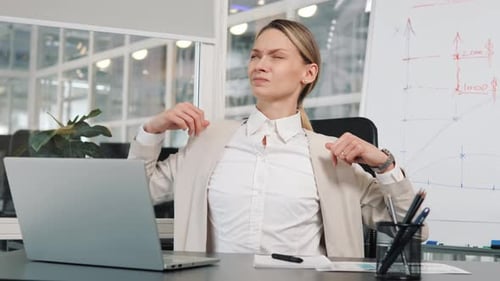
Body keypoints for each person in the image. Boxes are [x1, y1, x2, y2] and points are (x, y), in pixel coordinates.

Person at [128, 19, 427, 257]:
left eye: (277, 56)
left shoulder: (332, 156)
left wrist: (385, 165)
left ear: (308, 73)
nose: (260, 65)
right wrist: (153, 130)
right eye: (255, 56)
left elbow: (412, 231)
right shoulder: (208, 141)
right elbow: (137, 196)